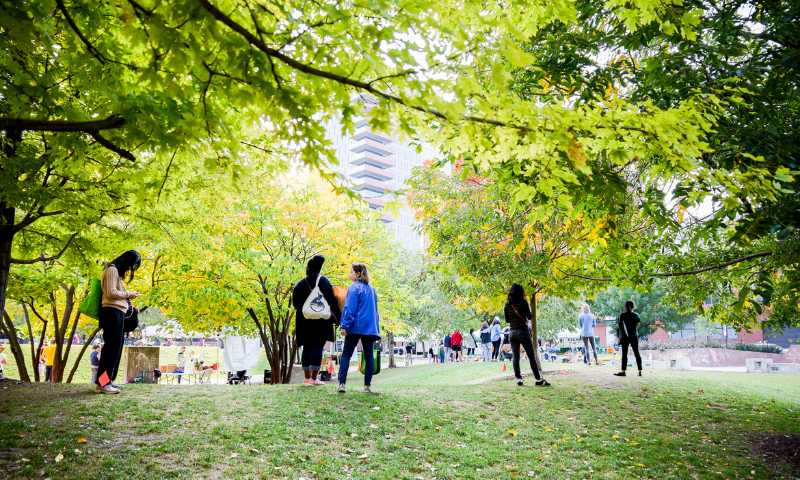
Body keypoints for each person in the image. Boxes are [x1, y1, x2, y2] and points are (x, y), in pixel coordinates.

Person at [95, 250, 141, 394]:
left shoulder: (115, 272)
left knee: (116, 348)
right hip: (111, 312)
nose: (129, 269)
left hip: (117, 312)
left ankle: (107, 381)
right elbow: (111, 293)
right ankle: (103, 384)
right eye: (131, 265)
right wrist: (129, 294)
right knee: (110, 349)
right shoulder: (112, 270)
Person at [292, 254, 342, 386]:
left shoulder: (299, 284)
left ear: (308, 269)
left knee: (307, 347)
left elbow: (295, 304)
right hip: (321, 321)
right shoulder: (324, 281)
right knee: (317, 347)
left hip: (304, 321)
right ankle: (314, 379)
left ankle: (307, 378)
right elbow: (332, 301)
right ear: (319, 269)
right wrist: (338, 318)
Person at [337, 262, 381, 394]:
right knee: (368, 356)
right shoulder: (371, 288)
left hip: (355, 326)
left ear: (357, 274)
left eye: (351, 271)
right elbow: (375, 310)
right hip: (369, 327)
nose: (350, 274)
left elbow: (350, 309)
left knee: (346, 354)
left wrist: (344, 325)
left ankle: (342, 384)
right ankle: (367, 386)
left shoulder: (354, 287)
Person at [503, 283, 551, 387]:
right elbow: (529, 316)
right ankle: (538, 379)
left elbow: (507, 320)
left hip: (512, 333)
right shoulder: (523, 302)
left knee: (515, 357)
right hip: (523, 331)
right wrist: (530, 314)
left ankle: (519, 379)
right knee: (531, 355)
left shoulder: (507, 305)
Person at [614, 300, 643, 377]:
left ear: (625, 306)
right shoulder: (636, 315)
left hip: (625, 337)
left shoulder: (622, 315)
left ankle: (623, 371)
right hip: (634, 336)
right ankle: (640, 371)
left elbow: (621, 327)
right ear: (633, 306)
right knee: (636, 353)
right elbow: (637, 326)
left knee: (624, 354)